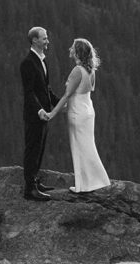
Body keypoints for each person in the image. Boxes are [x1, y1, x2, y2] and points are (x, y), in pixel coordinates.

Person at [44, 37, 110, 193]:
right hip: (87, 110)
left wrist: (52, 113)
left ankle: (84, 185)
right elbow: (85, 93)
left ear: (78, 52)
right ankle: (92, 182)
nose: (70, 50)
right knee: (88, 145)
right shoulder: (90, 70)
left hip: (77, 112)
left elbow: (68, 96)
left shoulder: (77, 71)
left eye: (73, 48)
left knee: (79, 147)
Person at [20, 25, 59, 201]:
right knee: (32, 149)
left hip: (44, 114)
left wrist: (59, 104)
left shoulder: (42, 61)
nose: (47, 41)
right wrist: (40, 110)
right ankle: (30, 189)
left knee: (40, 148)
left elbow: (46, 89)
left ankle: (35, 181)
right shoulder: (28, 63)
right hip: (35, 115)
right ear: (35, 40)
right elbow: (29, 92)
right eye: (44, 38)